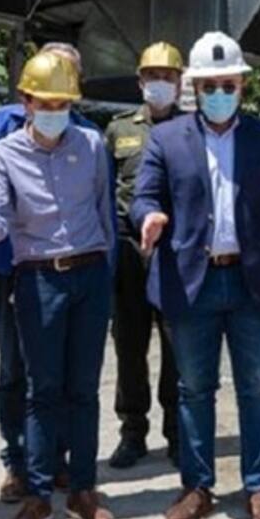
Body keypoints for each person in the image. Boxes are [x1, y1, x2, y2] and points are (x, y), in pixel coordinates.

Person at [133, 30, 260, 519]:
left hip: (251, 280)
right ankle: (198, 486)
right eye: (210, 85)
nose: (219, 93)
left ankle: (258, 485)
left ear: (241, 84)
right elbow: (144, 196)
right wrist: (149, 218)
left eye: (227, 84)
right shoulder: (166, 139)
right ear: (195, 87)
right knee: (195, 390)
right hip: (190, 281)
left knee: (257, 387)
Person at [0, 51, 116, 519]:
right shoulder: (4, 154)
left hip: (89, 275)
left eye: (63, 102)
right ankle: (37, 496)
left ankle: (84, 490)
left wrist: (104, 274)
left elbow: (103, 212)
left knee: (84, 389)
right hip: (38, 279)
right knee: (41, 390)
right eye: (45, 101)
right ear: (26, 102)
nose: (54, 109)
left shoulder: (91, 144)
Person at [105, 42, 182, 469]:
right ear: (140, 81)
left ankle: (178, 432)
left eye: (168, 77)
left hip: (173, 250)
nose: (160, 84)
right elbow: (104, 191)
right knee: (129, 345)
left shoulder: (192, 127)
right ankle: (133, 432)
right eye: (152, 77)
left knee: (176, 344)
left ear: (180, 82)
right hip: (129, 249)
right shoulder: (118, 130)